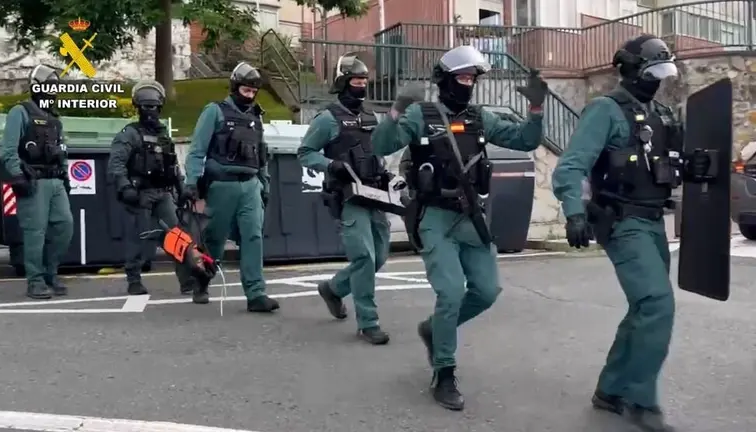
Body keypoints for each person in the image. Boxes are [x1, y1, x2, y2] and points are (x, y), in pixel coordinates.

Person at [370, 45, 547, 410]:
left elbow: (525, 140)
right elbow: (382, 144)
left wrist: (535, 109)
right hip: (434, 217)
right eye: (462, 77)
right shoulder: (422, 114)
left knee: (487, 290)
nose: (467, 84)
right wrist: (397, 110)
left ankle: (434, 329)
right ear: (445, 79)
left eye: (472, 78)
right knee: (450, 292)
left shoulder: (481, 118)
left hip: (472, 216)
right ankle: (445, 371)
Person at [551, 35, 711, 432]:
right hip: (621, 221)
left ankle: (610, 390)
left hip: (653, 220)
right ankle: (641, 400)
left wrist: (696, 167)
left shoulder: (658, 112)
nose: (657, 81)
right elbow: (570, 167)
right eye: (650, 72)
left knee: (644, 307)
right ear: (628, 69)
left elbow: (668, 165)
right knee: (657, 303)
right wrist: (574, 213)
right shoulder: (605, 110)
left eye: (662, 73)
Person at [297, 53, 395, 345]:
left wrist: (386, 174)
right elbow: (305, 152)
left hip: (376, 194)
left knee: (379, 257)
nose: (361, 86)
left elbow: (376, 151)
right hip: (349, 196)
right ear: (343, 83)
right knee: (364, 257)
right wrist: (331, 165)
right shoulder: (327, 119)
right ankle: (368, 322)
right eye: (355, 81)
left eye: (364, 81)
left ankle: (334, 288)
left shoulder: (371, 117)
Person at [182, 61, 279, 312]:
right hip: (221, 187)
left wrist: (264, 184)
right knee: (214, 240)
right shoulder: (215, 111)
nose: (250, 95)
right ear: (235, 87)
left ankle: (256, 294)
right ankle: (203, 280)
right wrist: (191, 181)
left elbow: (261, 154)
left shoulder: (256, 117)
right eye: (246, 90)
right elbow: (197, 150)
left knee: (253, 238)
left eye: (253, 91)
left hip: (250, 187)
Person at [107, 80, 198, 299]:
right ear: (138, 107)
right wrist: (125, 187)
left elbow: (173, 166)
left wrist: (182, 188)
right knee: (136, 237)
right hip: (140, 194)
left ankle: (187, 280)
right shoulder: (129, 134)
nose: (151, 112)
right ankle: (134, 280)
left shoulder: (163, 135)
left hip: (163, 192)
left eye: (154, 107)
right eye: (146, 107)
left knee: (177, 236)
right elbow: (116, 164)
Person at [0, 64, 74, 300]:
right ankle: (35, 280)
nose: (53, 92)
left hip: (55, 181)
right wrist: (17, 175)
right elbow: (8, 151)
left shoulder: (54, 119)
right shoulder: (19, 113)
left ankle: (51, 272)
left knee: (64, 226)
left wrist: (65, 175)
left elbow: (62, 150)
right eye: (50, 87)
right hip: (33, 181)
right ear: (37, 87)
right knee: (35, 232)